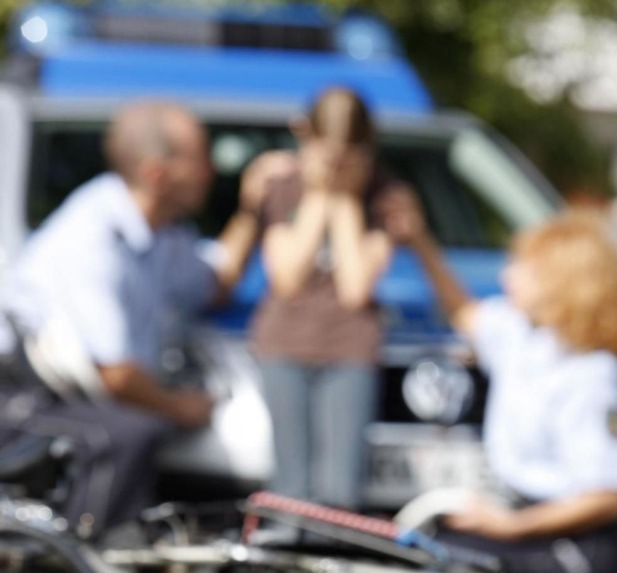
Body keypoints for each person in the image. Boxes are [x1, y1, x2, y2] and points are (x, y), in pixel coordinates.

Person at [0, 99, 256, 535]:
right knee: (129, 435)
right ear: (157, 173)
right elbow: (117, 375)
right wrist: (183, 407)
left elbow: (215, 283)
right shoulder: (93, 237)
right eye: (199, 158)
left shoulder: (165, 234)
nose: (211, 171)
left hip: (77, 391)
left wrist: (254, 211)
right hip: (20, 396)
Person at [383, 195, 617, 573]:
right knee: (417, 549)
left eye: (522, 267)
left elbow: (608, 497)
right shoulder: (524, 336)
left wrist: (509, 526)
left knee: (438, 569)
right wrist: (420, 243)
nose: (507, 277)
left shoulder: (593, 374)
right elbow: (464, 312)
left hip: (570, 545)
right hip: (523, 523)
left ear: (561, 281)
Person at [237, 86, 397, 511]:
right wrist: (316, 194)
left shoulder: (384, 196)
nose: (337, 161)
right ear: (304, 135)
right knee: (290, 484)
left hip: (349, 350)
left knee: (339, 488)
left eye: (348, 152)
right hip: (283, 347)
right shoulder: (282, 187)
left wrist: (344, 200)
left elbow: (356, 287)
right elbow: (288, 277)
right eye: (328, 150)